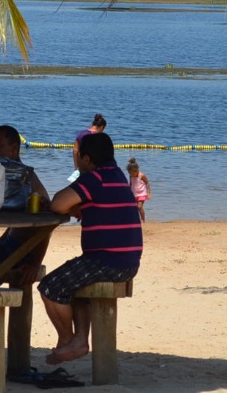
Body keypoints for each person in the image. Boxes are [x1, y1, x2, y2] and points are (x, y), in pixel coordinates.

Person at [41, 132, 142, 366]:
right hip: (127, 260)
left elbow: (58, 204)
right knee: (73, 283)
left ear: (86, 159)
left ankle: (68, 341)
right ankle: (79, 339)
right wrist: (82, 207)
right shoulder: (116, 175)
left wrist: (74, 203)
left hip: (107, 261)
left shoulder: (95, 178)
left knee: (49, 287)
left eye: (78, 157)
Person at [0, 125, 52, 286]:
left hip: (23, 251)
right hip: (8, 242)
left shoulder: (27, 178)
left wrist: (36, 263)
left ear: (14, 149)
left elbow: (48, 223)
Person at [69, 113, 107, 182]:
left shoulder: (80, 134)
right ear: (102, 127)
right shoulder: (98, 137)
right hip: (93, 168)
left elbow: (75, 151)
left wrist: (76, 168)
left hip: (82, 166)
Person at [127, 158, 151, 222]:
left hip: (142, 193)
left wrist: (148, 193)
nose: (132, 175)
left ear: (137, 170)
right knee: (133, 208)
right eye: (130, 173)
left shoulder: (141, 175)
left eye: (133, 173)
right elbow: (131, 184)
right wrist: (129, 192)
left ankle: (143, 220)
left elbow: (147, 183)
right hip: (134, 194)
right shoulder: (130, 176)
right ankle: (134, 220)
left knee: (140, 207)